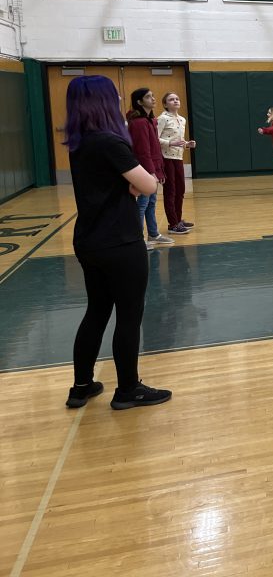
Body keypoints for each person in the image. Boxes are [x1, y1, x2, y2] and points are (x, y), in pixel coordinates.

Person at [63, 75, 172, 410]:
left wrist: (135, 184)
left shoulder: (81, 142)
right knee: (129, 315)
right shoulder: (110, 141)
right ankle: (128, 389)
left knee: (96, 311)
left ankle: (81, 386)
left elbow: (132, 184)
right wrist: (142, 182)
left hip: (89, 240)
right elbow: (150, 184)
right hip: (120, 241)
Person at [126, 87, 173, 249]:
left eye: (153, 96)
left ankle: (153, 233)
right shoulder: (139, 123)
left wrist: (159, 170)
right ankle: (138, 238)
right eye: (148, 97)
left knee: (151, 202)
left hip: (152, 168)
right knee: (142, 204)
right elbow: (143, 151)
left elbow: (155, 150)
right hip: (145, 170)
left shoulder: (150, 121)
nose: (153, 99)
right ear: (139, 102)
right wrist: (151, 172)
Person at [157, 92, 197, 234]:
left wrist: (187, 144)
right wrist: (171, 143)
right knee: (171, 191)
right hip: (166, 158)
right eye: (171, 99)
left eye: (177, 99)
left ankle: (178, 219)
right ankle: (172, 224)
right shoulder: (162, 119)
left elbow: (178, 140)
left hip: (178, 158)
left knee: (180, 190)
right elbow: (155, 139)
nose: (175, 101)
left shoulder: (182, 119)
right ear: (165, 104)